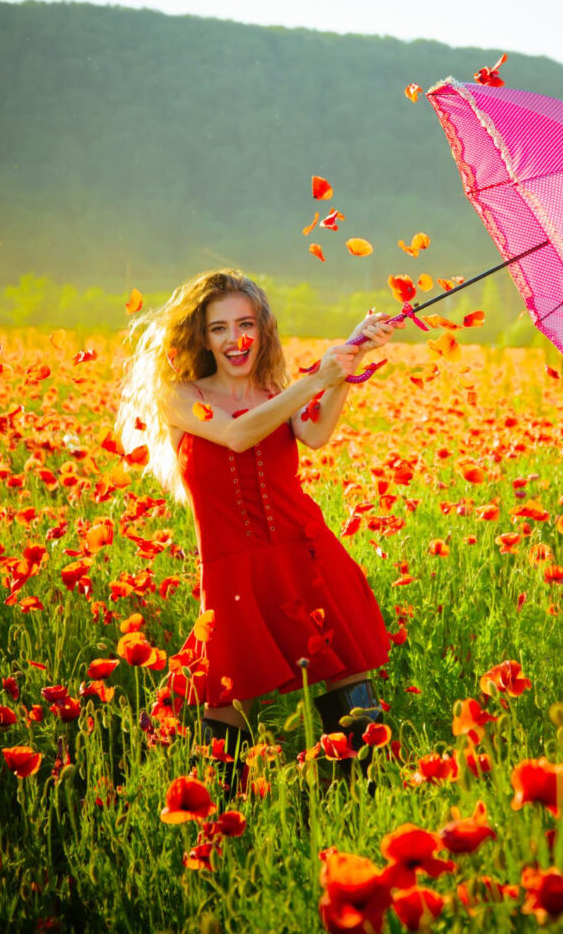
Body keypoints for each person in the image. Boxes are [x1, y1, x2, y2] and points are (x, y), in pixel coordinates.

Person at [116, 268, 396, 786]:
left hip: (302, 550)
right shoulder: (178, 395)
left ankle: (364, 799)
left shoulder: (273, 388)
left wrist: (347, 365)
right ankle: (218, 817)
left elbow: (314, 433)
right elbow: (238, 434)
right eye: (219, 327)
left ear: (262, 330)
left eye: (245, 323)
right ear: (201, 337)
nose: (234, 338)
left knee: (346, 669)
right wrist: (317, 378)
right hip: (234, 568)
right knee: (227, 691)